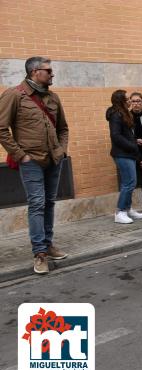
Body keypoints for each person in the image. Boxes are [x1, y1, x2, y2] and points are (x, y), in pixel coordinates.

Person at [0, 56, 69, 274]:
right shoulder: (14, 95)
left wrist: (62, 150)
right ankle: (39, 253)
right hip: (31, 161)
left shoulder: (54, 97)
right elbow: (1, 129)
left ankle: (48, 244)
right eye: (48, 70)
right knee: (37, 204)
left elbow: (63, 128)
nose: (52, 74)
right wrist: (21, 155)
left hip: (54, 160)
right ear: (34, 72)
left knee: (49, 203)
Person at [106, 89, 142, 224]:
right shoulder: (116, 115)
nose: (130, 100)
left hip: (127, 152)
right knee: (129, 183)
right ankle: (120, 212)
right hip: (122, 154)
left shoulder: (122, 114)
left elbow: (125, 135)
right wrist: (132, 145)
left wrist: (134, 142)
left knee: (129, 182)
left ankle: (127, 209)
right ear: (121, 101)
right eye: (127, 98)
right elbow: (116, 136)